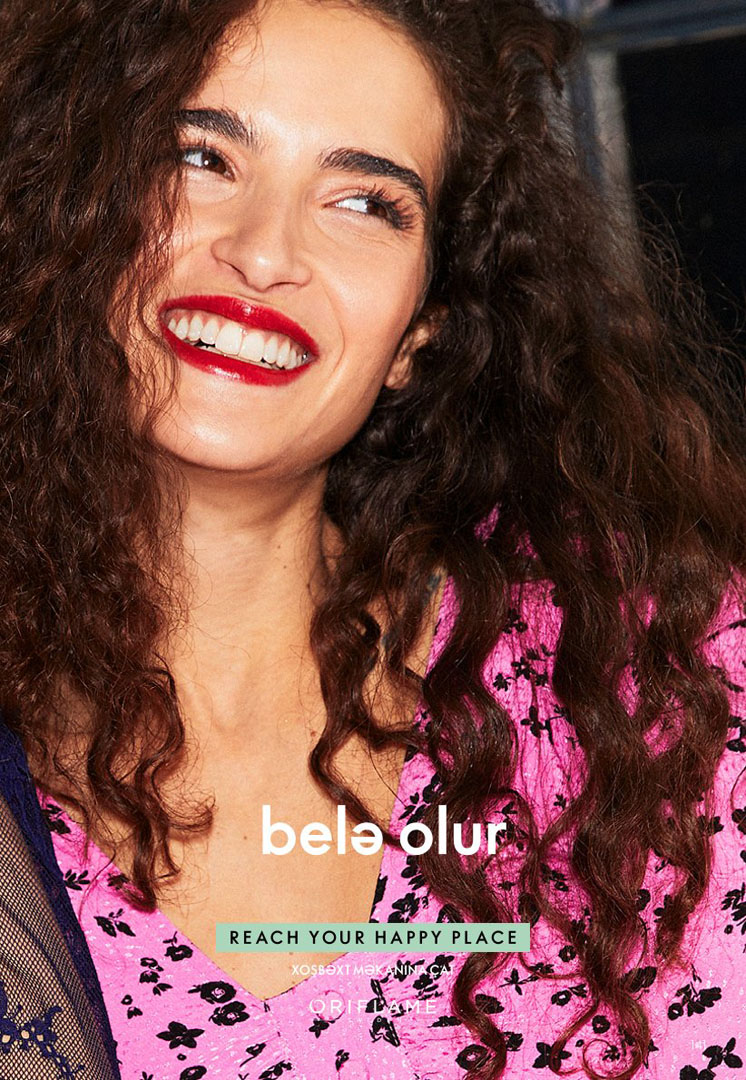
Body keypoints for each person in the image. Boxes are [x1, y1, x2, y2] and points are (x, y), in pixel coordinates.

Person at [0, 0, 744, 1077]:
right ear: (61, 206)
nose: (265, 253)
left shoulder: (653, 685)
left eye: (365, 202)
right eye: (200, 157)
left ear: (417, 333)